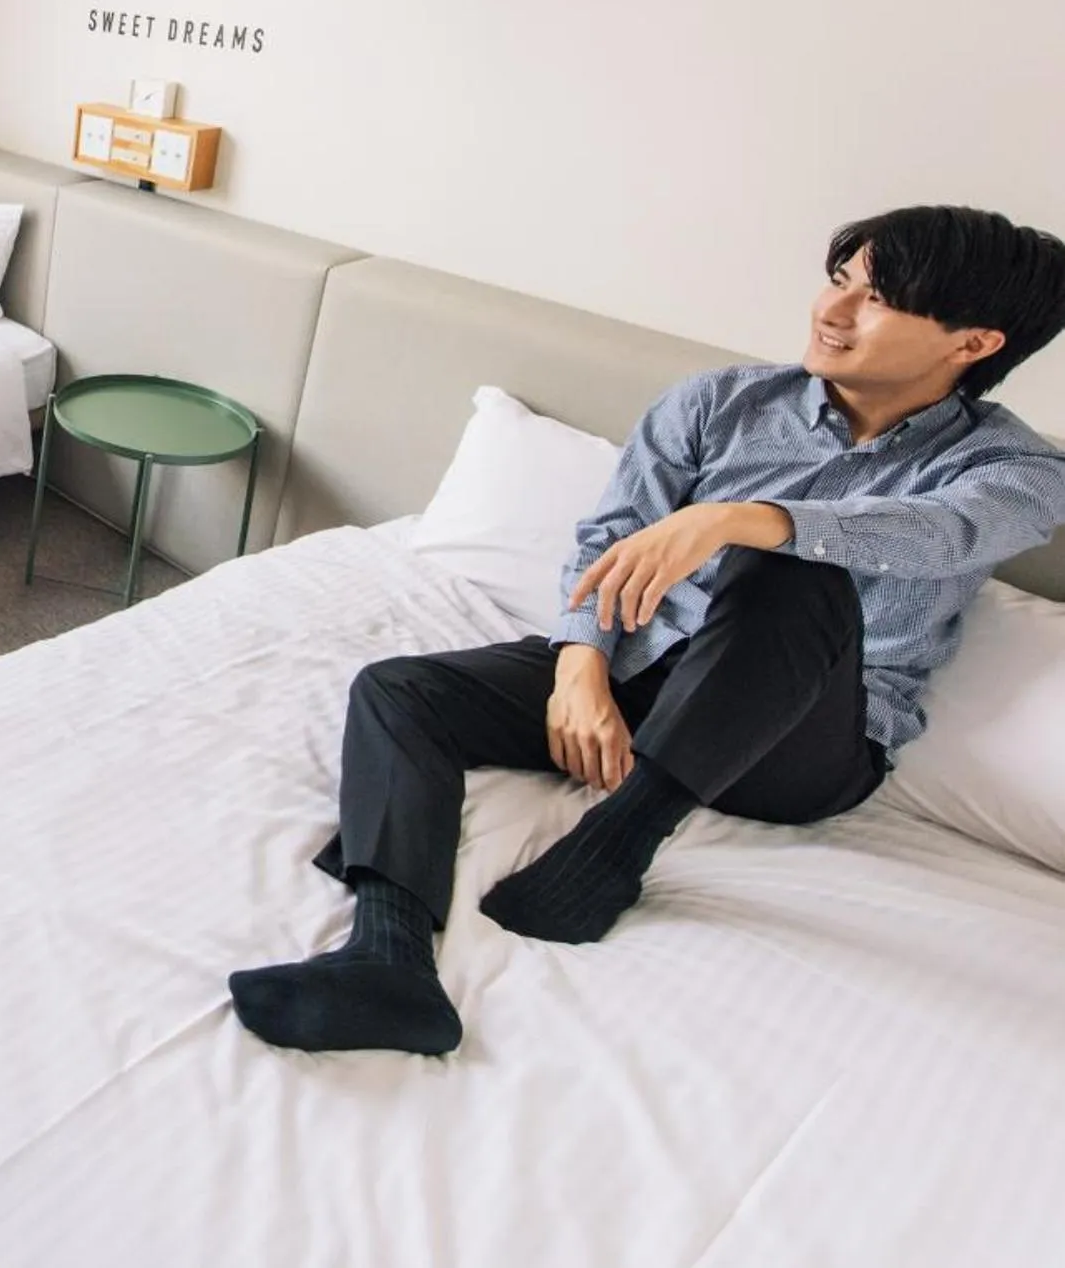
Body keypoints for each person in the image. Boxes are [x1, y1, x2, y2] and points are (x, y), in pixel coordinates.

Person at [230, 206, 1065, 1056]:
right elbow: (606, 538)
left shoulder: (1013, 472)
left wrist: (742, 518)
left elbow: (939, 535)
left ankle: (611, 849)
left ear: (972, 344)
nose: (832, 311)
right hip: (644, 679)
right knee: (400, 691)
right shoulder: (718, 402)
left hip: (800, 747)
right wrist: (579, 667)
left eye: (878, 299)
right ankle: (386, 955)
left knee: (788, 564)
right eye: (840, 280)